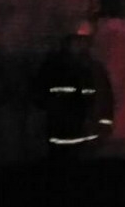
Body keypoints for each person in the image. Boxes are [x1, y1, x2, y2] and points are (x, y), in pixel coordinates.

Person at [35, 18, 115, 159]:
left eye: (84, 41)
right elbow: (39, 95)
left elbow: (106, 99)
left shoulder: (96, 69)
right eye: (77, 41)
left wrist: (104, 125)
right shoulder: (54, 67)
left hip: (89, 140)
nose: (80, 45)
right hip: (61, 138)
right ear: (67, 42)